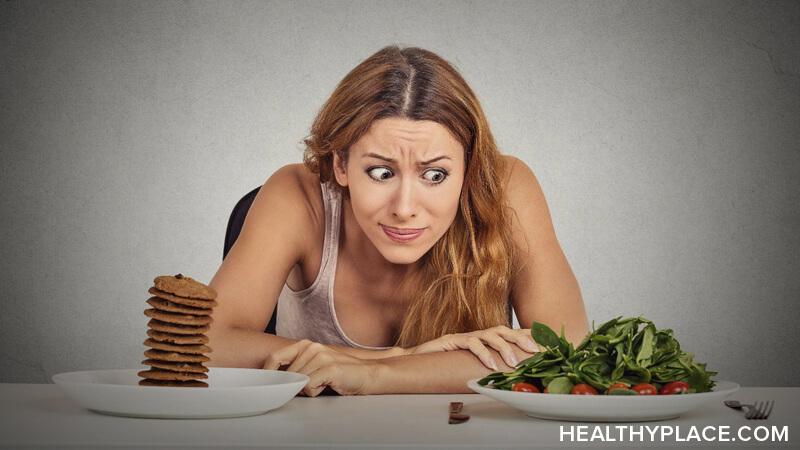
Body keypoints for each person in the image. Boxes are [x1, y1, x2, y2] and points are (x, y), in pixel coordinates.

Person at [207, 45, 589, 396]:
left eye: (435, 175)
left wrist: (377, 375)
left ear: (469, 169)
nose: (404, 208)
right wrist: (403, 355)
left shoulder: (507, 187)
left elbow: (567, 349)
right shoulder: (298, 194)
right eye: (380, 173)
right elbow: (206, 343)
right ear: (341, 164)